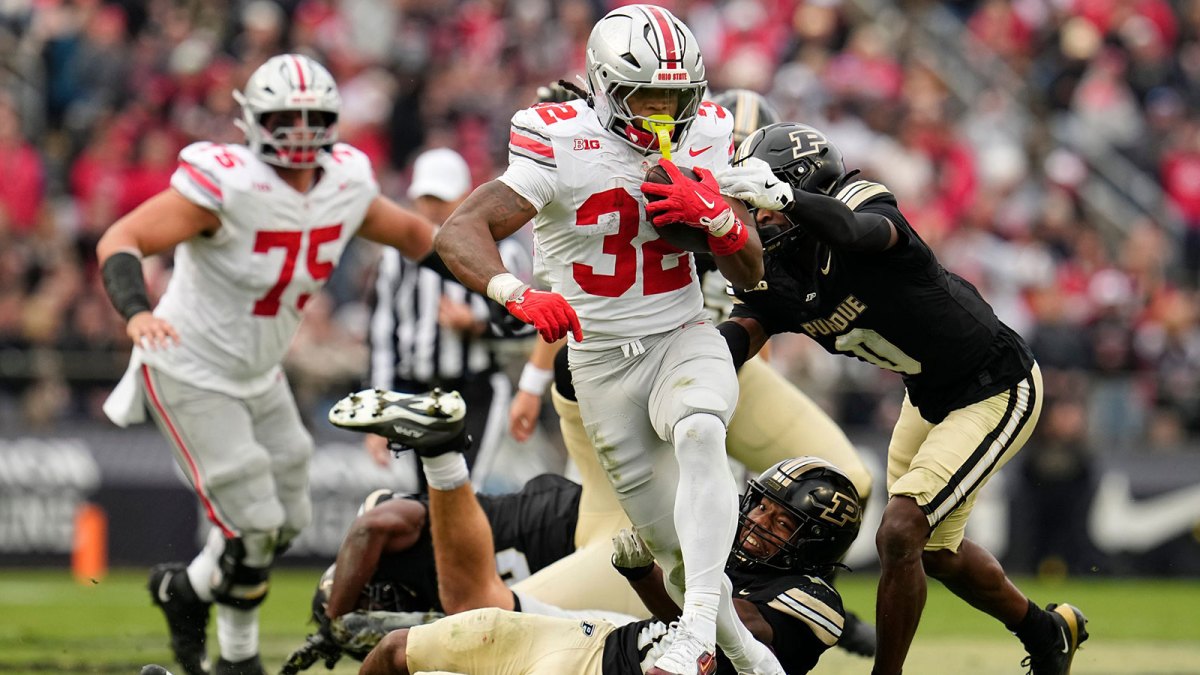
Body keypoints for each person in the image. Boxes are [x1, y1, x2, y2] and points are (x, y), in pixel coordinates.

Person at [435, 7, 778, 673]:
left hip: (679, 332)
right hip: (599, 363)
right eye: (646, 94)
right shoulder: (559, 138)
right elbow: (460, 230)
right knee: (678, 555)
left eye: (675, 97)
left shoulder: (706, 130)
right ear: (604, 86)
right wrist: (520, 293)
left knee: (703, 429)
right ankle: (753, 661)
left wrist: (724, 225)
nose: (662, 112)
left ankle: (697, 637)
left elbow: (752, 269)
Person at [96, 54, 438, 675]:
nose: (301, 132)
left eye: (314, 118)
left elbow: (421, 239)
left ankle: (188, 590)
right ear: (253, 120)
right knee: (253, 519)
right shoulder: (226, 183)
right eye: (287, 117)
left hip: (258, 371)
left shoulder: (347, 184)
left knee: (288, 518)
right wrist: (134, 312)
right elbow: (121, 239)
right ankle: (237, 660)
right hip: (189, 364)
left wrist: (502, 284)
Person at [505, 87, 877, 657]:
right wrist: (533, 381)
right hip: (617, 366)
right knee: (633, 545)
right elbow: (572, 280)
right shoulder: (641, 171)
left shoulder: (743, 194)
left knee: (840, 486)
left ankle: (788, 607)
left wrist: (725, 222)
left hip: (715, 353)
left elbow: (759, 293)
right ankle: (711, 614)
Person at [714, 121, 1090, 674]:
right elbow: (741, 333)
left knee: (902, 529)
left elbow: (860, 233)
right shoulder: (779, 270)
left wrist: (790, 199)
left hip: (994, 383)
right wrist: (670, 368)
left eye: (764, 204)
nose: (759, 218)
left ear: (794, 187)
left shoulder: (856, 201)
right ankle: (1047, 631)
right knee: (934, 552)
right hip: (928, 395)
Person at [358, 453, 864, 675]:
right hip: (599, 641)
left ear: (818, 544)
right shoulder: (728, 549)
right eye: (760, 507)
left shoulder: (815, 599)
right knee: (397, 651)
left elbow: (725, 627)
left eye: (781, 523)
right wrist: (644, 575)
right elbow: (681, 624)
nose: (756, 523)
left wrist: (681, 570)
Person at [365, 147, 530, 488]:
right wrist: (378, 415)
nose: (432, 208)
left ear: (463, 197)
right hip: (416, 391)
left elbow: (528, 332)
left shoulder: (504, 253)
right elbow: (383, 339)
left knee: (465, 491)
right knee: (421, 499)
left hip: (475, 390)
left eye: (440, 198)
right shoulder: (395, 259)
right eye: (425, 198)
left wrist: (478, 325)